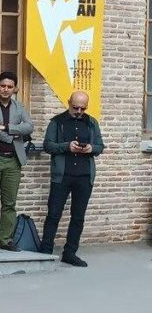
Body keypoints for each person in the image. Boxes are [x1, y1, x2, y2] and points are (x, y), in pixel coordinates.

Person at [39, 91, 103, 267]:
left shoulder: (92, 122)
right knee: (53, 214)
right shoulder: (57, 122)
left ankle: (70, 253)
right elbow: (47, 145)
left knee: (78, 217)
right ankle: (45, 251)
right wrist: (67, 146)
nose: (79, 111)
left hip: (84, 176)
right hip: (62, 176)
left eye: (83, 108)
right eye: (76, 107)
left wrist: (91, 148)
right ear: (68, 103)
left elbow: (100, 146)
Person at [0, 71, 35, 252]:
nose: (5, 89)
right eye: (2, 86)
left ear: (15, 89)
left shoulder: (19, 107)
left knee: (9, 203)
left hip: (13, 161)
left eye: (9, 87)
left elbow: (29, 127)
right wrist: (12, 136)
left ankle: (6, 240)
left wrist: (6, 127)